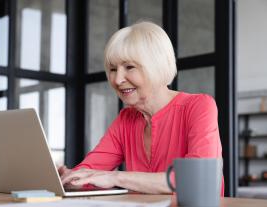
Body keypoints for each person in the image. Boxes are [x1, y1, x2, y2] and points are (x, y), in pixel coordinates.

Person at [59, 21, 223, 195]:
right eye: (113, 69)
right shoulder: (125, 119)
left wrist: (116, 178)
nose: (117, 79)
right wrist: (69, 178)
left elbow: (197, 179)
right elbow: (90, 172)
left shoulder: (199, 107)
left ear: (156, 66)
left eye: (129, 67)